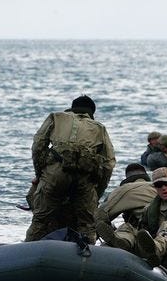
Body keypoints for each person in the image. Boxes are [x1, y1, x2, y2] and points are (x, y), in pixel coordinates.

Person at [25, 95, 116, 242]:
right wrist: (97, 191)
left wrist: (40, 173)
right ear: (91, 113)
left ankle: (27, 252)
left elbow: (38, 145)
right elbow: (108, 164)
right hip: (84, 179)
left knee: (40, 221)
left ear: (72, 107)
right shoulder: (99, 128)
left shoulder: (56, 117)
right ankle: (86, 257)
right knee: (87, 225)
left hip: (54, 175)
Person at [93, 163, 157, 249]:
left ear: (127, 178)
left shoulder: (123, 189)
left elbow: (100, 215)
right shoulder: (158, 187)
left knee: (125, 228)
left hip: (139, 228)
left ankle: (123, 241)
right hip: (161, 228)